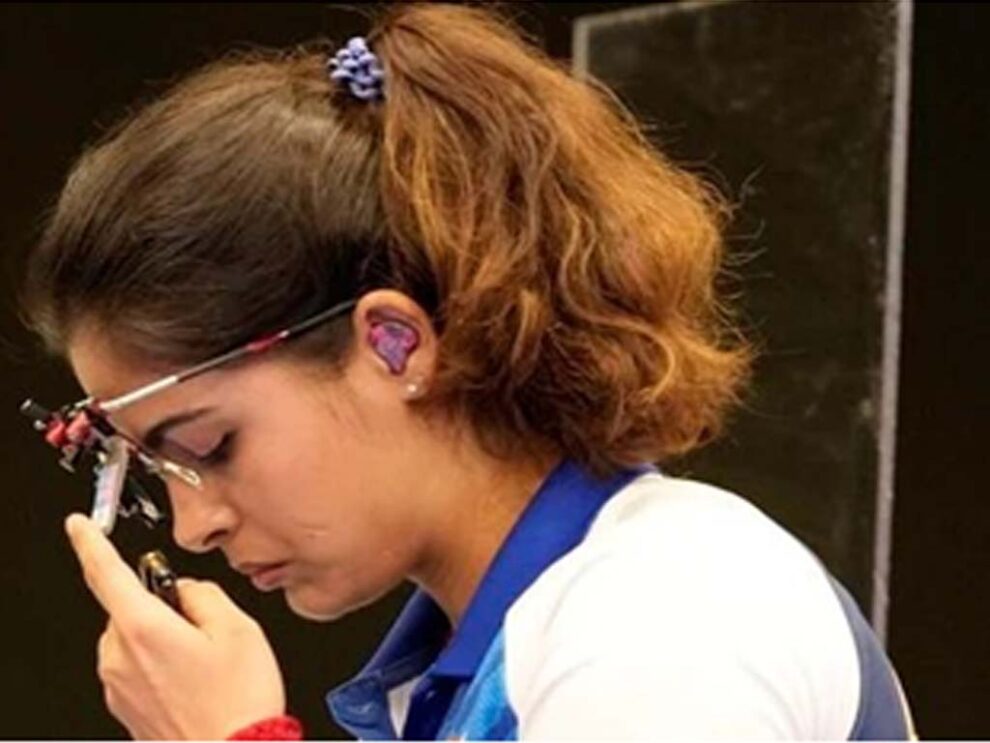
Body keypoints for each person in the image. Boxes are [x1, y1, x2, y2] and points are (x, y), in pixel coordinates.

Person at [21, 4, 915, 740]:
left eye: (210, 444)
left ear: (394, 343)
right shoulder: (498, 654)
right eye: (156, 472)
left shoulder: (665, 616)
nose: (194, 526)